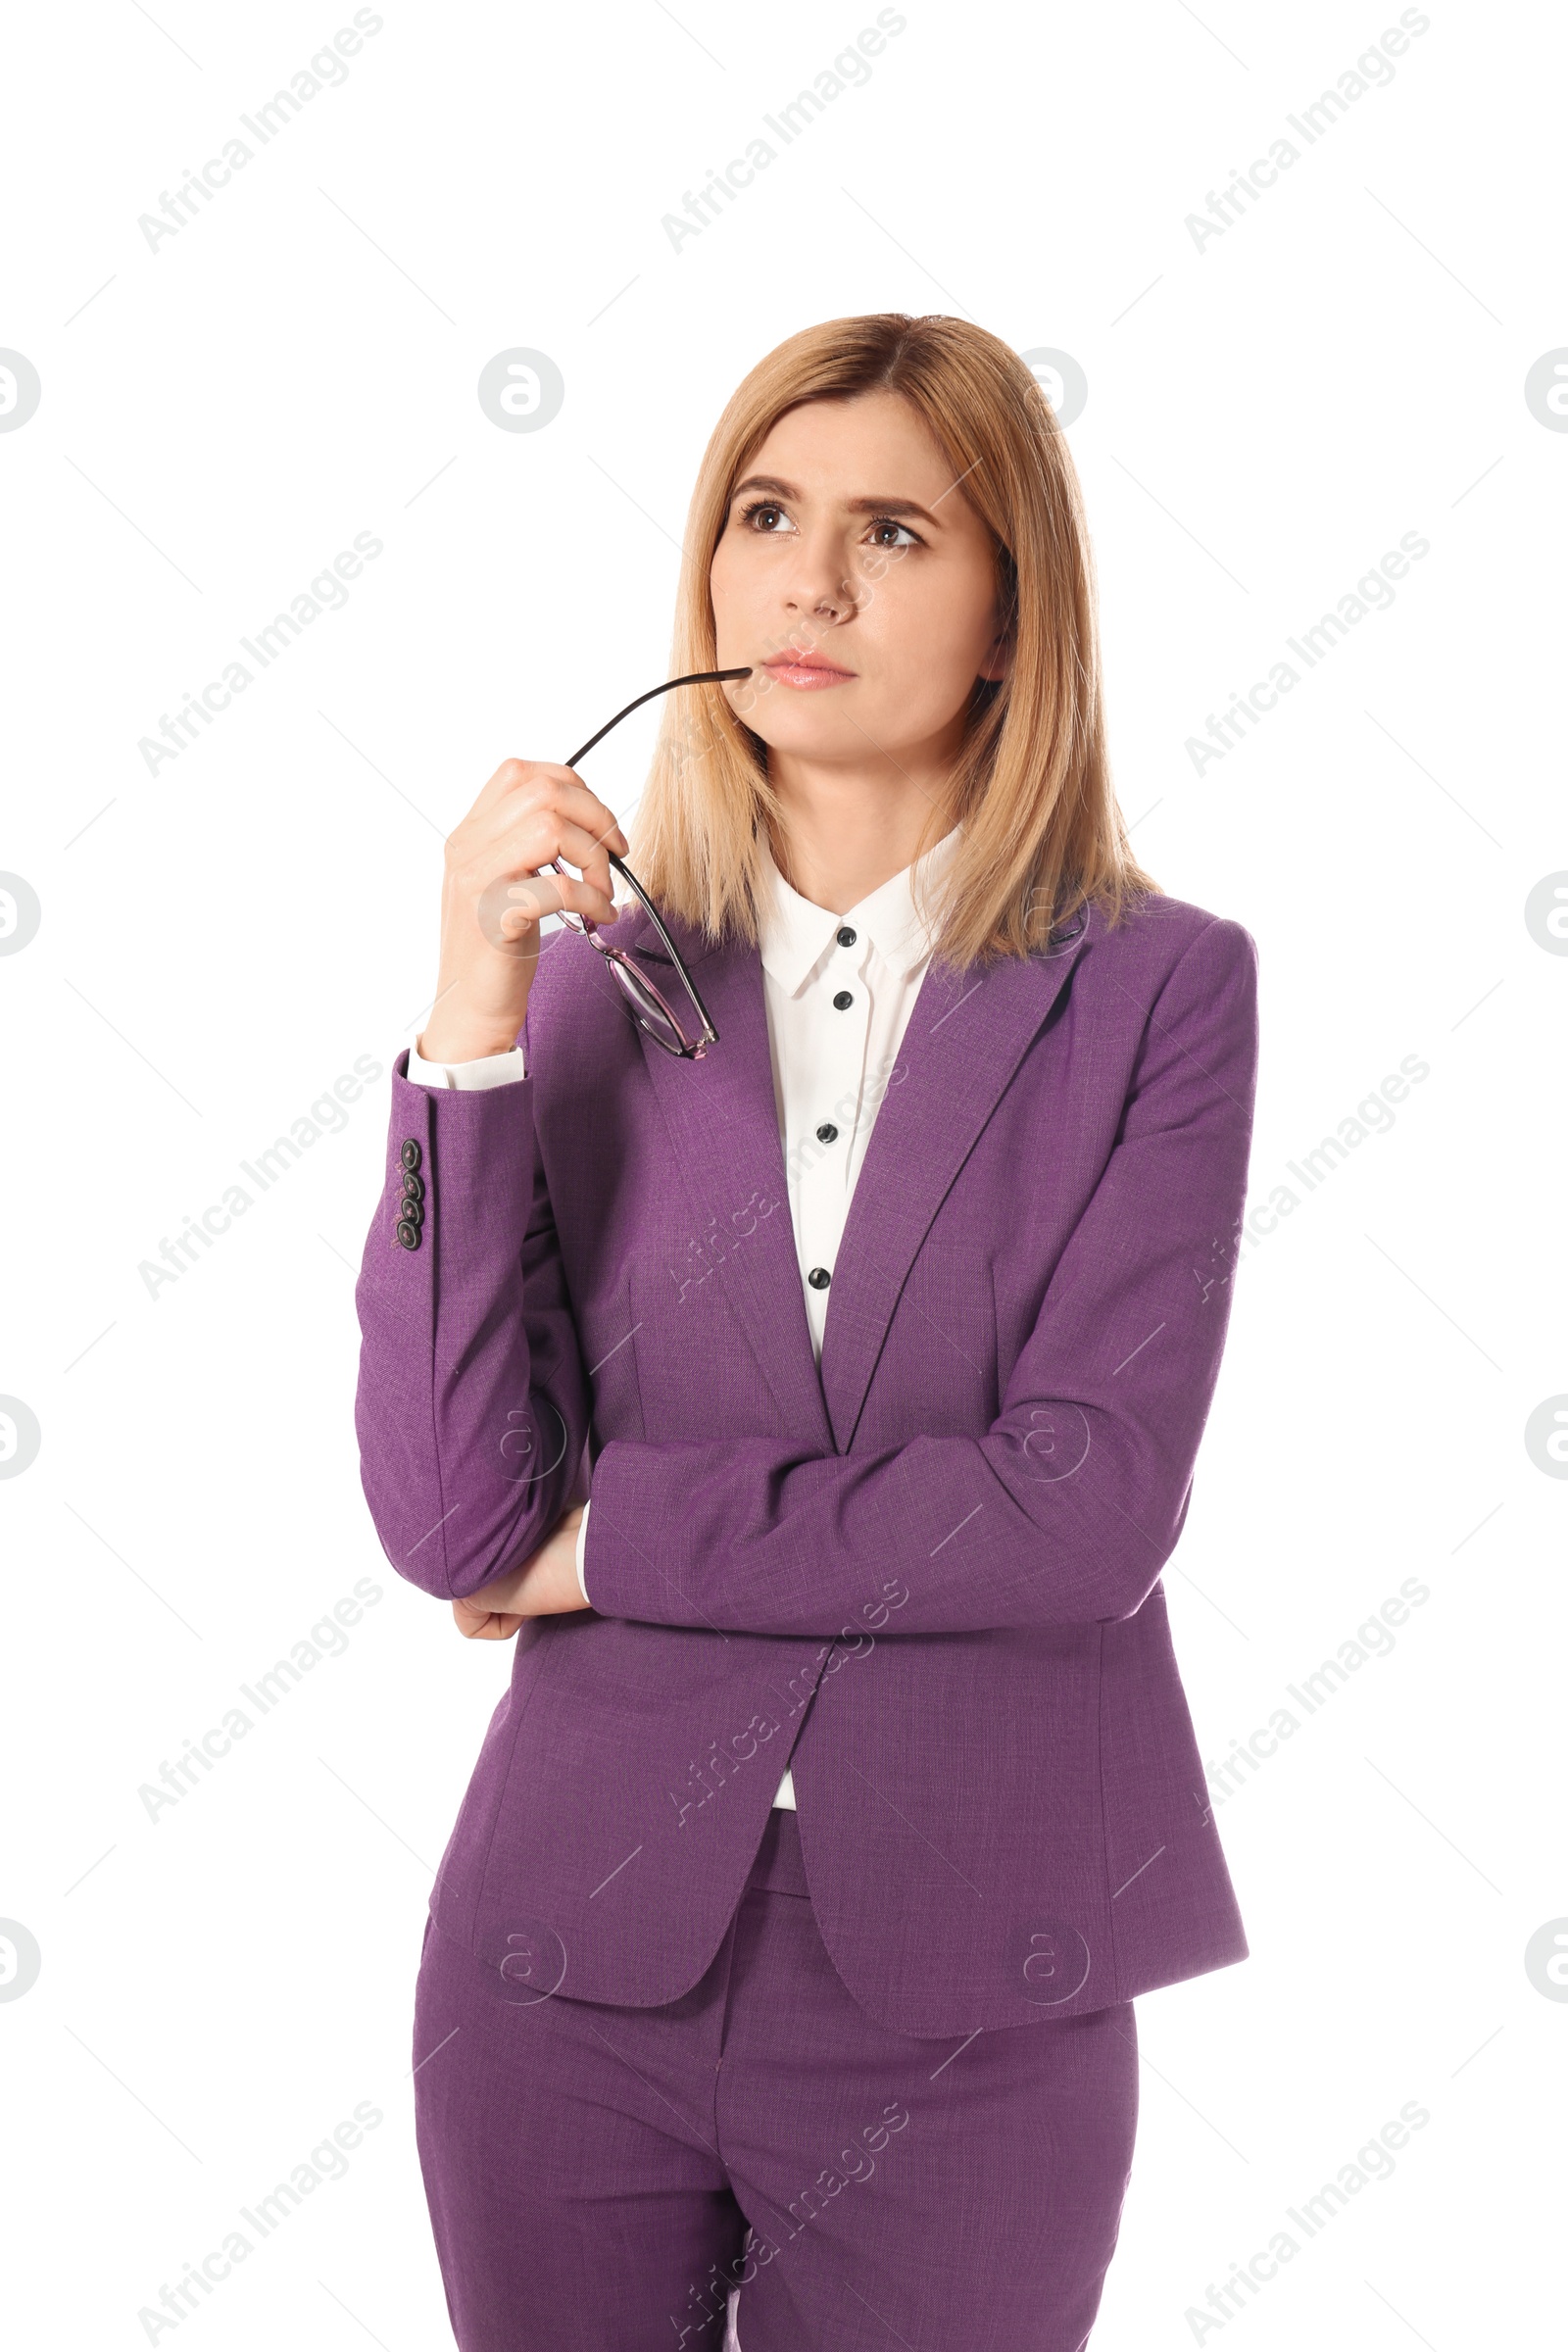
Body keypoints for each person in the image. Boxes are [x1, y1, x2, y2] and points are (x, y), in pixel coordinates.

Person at [354, 311, 1260, 2351]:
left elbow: (1079, 1509)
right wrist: (465, 1027)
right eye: (763, 514)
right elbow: (448, 1521)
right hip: (557, 1970)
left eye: (890, 532)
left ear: (1011, 619)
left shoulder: (1154, 994)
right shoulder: (582, 993)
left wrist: (619, 1543)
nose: (804, 579)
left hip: (978, 1988)